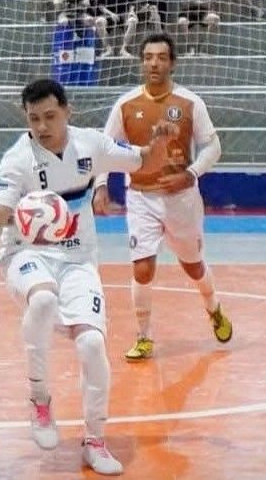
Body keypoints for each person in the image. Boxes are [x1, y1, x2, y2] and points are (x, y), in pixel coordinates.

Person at [0, 78, 178, 475]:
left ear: (69, 110)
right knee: (44, 299)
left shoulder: (92, 144)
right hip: (26, 254)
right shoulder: (18, 159)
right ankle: (39, 399)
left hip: (79, 261)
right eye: (34, 119)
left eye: (50, 116)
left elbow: (142, 160)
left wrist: (159, 141)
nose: (43, 126)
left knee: (91, 345)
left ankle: (95, 439)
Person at [93, 32, 232, 361]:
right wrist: (101, 185)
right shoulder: (126, 104)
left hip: (181, 199)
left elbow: (213, 146)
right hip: (140, 196)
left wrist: (192, 173)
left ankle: (213, 308)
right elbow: (103, 148)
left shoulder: (190, 103)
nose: (154, 63)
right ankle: (144, 337)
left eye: (161, 57)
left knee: (193, 267)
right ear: (142, 62)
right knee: (142, 267)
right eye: (148, 57)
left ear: (172, 63)